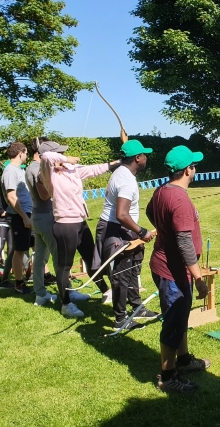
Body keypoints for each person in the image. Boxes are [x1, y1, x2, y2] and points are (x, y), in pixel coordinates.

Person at [146, 145, 211, 392]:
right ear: (187, 170)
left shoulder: (162, 190)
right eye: (194, 166)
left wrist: (164, 230)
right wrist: (198, 278)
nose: (195, 170)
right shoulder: (179, 199)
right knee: (173, 322)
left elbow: (149, 211)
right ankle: (168, 375)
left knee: (180, 316)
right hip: (172, 271)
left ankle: (183, 360)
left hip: (168, 267)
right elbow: (184, 241)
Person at [40, 141, 120, 318]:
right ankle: (66, 304)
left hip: (80, 222)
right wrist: (65, 158)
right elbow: (45, 156)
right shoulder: (48, 173)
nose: (62, 155)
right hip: (64, 224)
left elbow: (93, 169)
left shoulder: (71, 170)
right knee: (64, 266)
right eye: (59, 153)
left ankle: (106, 291)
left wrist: (115, 164)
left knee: (92, 259)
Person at [93, 140, 158, 330]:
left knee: (133, 268)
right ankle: (120, 319)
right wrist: (141, 231)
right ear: (138, 158)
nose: (146, 158)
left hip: (123, 228)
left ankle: (137, 307)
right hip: (116, 230)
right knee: (122, 274)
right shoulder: (125, 180)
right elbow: (121, 214)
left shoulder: (123, 173)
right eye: (144, 155)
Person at [25, 137, 58, 307]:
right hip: (45, 216)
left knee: (39, 259)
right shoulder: (38, 168)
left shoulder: (32, 167)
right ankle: (67, 294)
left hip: (37, 216)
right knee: (59, 256)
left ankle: (40, 294)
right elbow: (45, 194)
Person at [0, 143, 33, 294]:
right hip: (18, 216)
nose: (27, 155)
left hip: (26, 214)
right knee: (19, 251)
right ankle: (19, 284)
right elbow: (11, 197)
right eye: (26, 153)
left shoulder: (19, 170)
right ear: (20, 153)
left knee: (28, 247)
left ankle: (37, 276)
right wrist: (24, 217)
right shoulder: (10, 171)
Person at [0, 191, 12, 277]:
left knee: (11, 247)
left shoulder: (12, 194)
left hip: (11, 223)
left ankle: (10, 267)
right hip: (2, 223)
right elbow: (2, 213)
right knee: (0, 246)